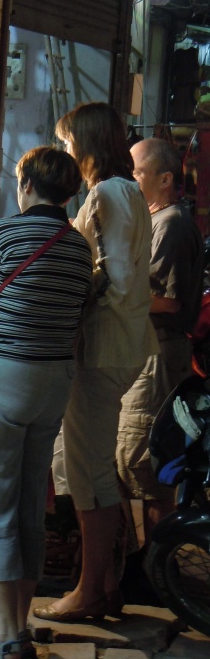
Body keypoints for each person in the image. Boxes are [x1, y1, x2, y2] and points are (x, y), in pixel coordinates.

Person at [0, 146, 92, 659]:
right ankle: (17, 626)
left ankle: (4, 637)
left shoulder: (4, 233)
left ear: (26, 184)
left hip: (2, 376)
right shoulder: (79, 247)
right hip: (53, 381)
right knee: (31, 504)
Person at [33, 102, 159, 623]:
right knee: (89, 464)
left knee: (89, 470)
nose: (66, 151)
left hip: (104, 346)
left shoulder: (109, 193)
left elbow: (116, 276)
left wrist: (67, 299)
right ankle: (104, 584)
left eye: (68, 142)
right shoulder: (122, 192)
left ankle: (90, 590)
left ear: (85, 142)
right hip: (115, 344)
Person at [116, 138, 204, 547]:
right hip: (144, 351)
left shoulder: (170, 224)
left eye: (137, 172)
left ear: (165, 179)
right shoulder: (154, 220)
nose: (131, 181)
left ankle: (157, 566)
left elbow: (168, 301)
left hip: (158, 355)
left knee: (148, 464)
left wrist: (109, 288)